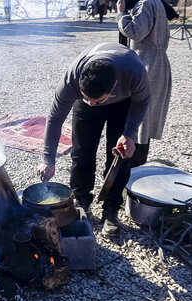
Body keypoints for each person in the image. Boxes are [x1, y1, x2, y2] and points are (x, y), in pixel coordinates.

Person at [37, 42, 150, 237]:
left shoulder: (134, 72)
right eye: (87, 97)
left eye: (97, 101)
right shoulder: (72, 79)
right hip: (88, 104)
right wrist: (48, 158)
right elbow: (55, 119)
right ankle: (81, 202)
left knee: (120, 157)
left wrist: (129, 133)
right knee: (81, 152)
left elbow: (142, 102)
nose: (92, 104)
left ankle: (111, 209)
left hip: (122, 105)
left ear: (114, 85)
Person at [117, 0, 176, 167]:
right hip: (156, 62)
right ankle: (136, 162)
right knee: (146, 116)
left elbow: (136, 31)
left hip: (148, 63)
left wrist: (121, 13)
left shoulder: (146, 3)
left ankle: (133, 164)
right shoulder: (155, 2)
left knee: (140, 113)